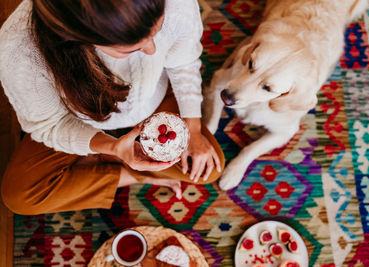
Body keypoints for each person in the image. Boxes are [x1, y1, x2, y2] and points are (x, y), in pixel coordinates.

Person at [0, 0, 225, 215]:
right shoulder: (20, 51)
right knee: (20, 196)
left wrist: (192, 126)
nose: (153, 50)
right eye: (130, 49)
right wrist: (112, 147)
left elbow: (183, 62)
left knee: (209, 169)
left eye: (156, 30)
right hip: (76, 122)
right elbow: (51, 125)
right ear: (78, 37)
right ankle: (131, 173)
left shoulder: (175, 4)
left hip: (154, 103)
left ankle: (101, 164)